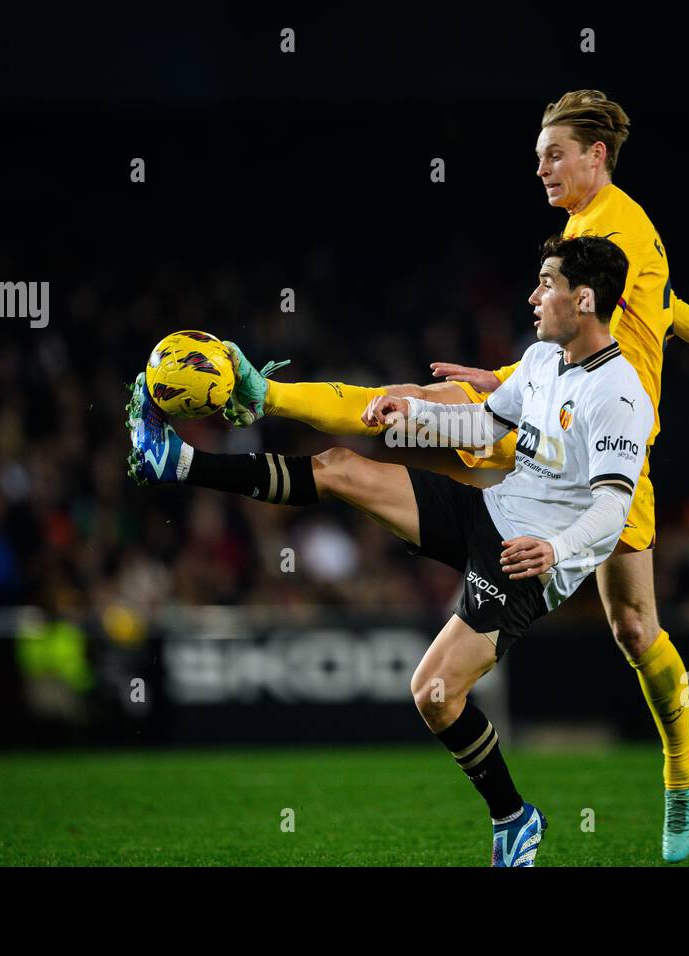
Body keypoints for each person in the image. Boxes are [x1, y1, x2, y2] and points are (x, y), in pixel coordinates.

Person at [218, 91, 689, 861]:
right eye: (537, 158)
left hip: (600, 445)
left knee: (633, 626)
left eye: (555, 154)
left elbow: (592, 345)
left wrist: (499, 377)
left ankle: (681, 774)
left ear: (598, 156)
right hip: (551, 440)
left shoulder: (608, 235)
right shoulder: (604, 229)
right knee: (423, 412)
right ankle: (266, 394)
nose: (542, 169)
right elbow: (665, 304)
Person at [128, 235, 655, 867]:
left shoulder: (620, 395)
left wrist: (555, 547)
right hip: (489, 509)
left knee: (433, 694)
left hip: (522, 559)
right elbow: (488, 425)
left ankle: (514, 818)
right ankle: (178, 461)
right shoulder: (544, 358)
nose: (534, 294)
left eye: (547, 282)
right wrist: (413, 415)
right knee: (340, 467)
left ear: (586, 298)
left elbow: (612, 508)